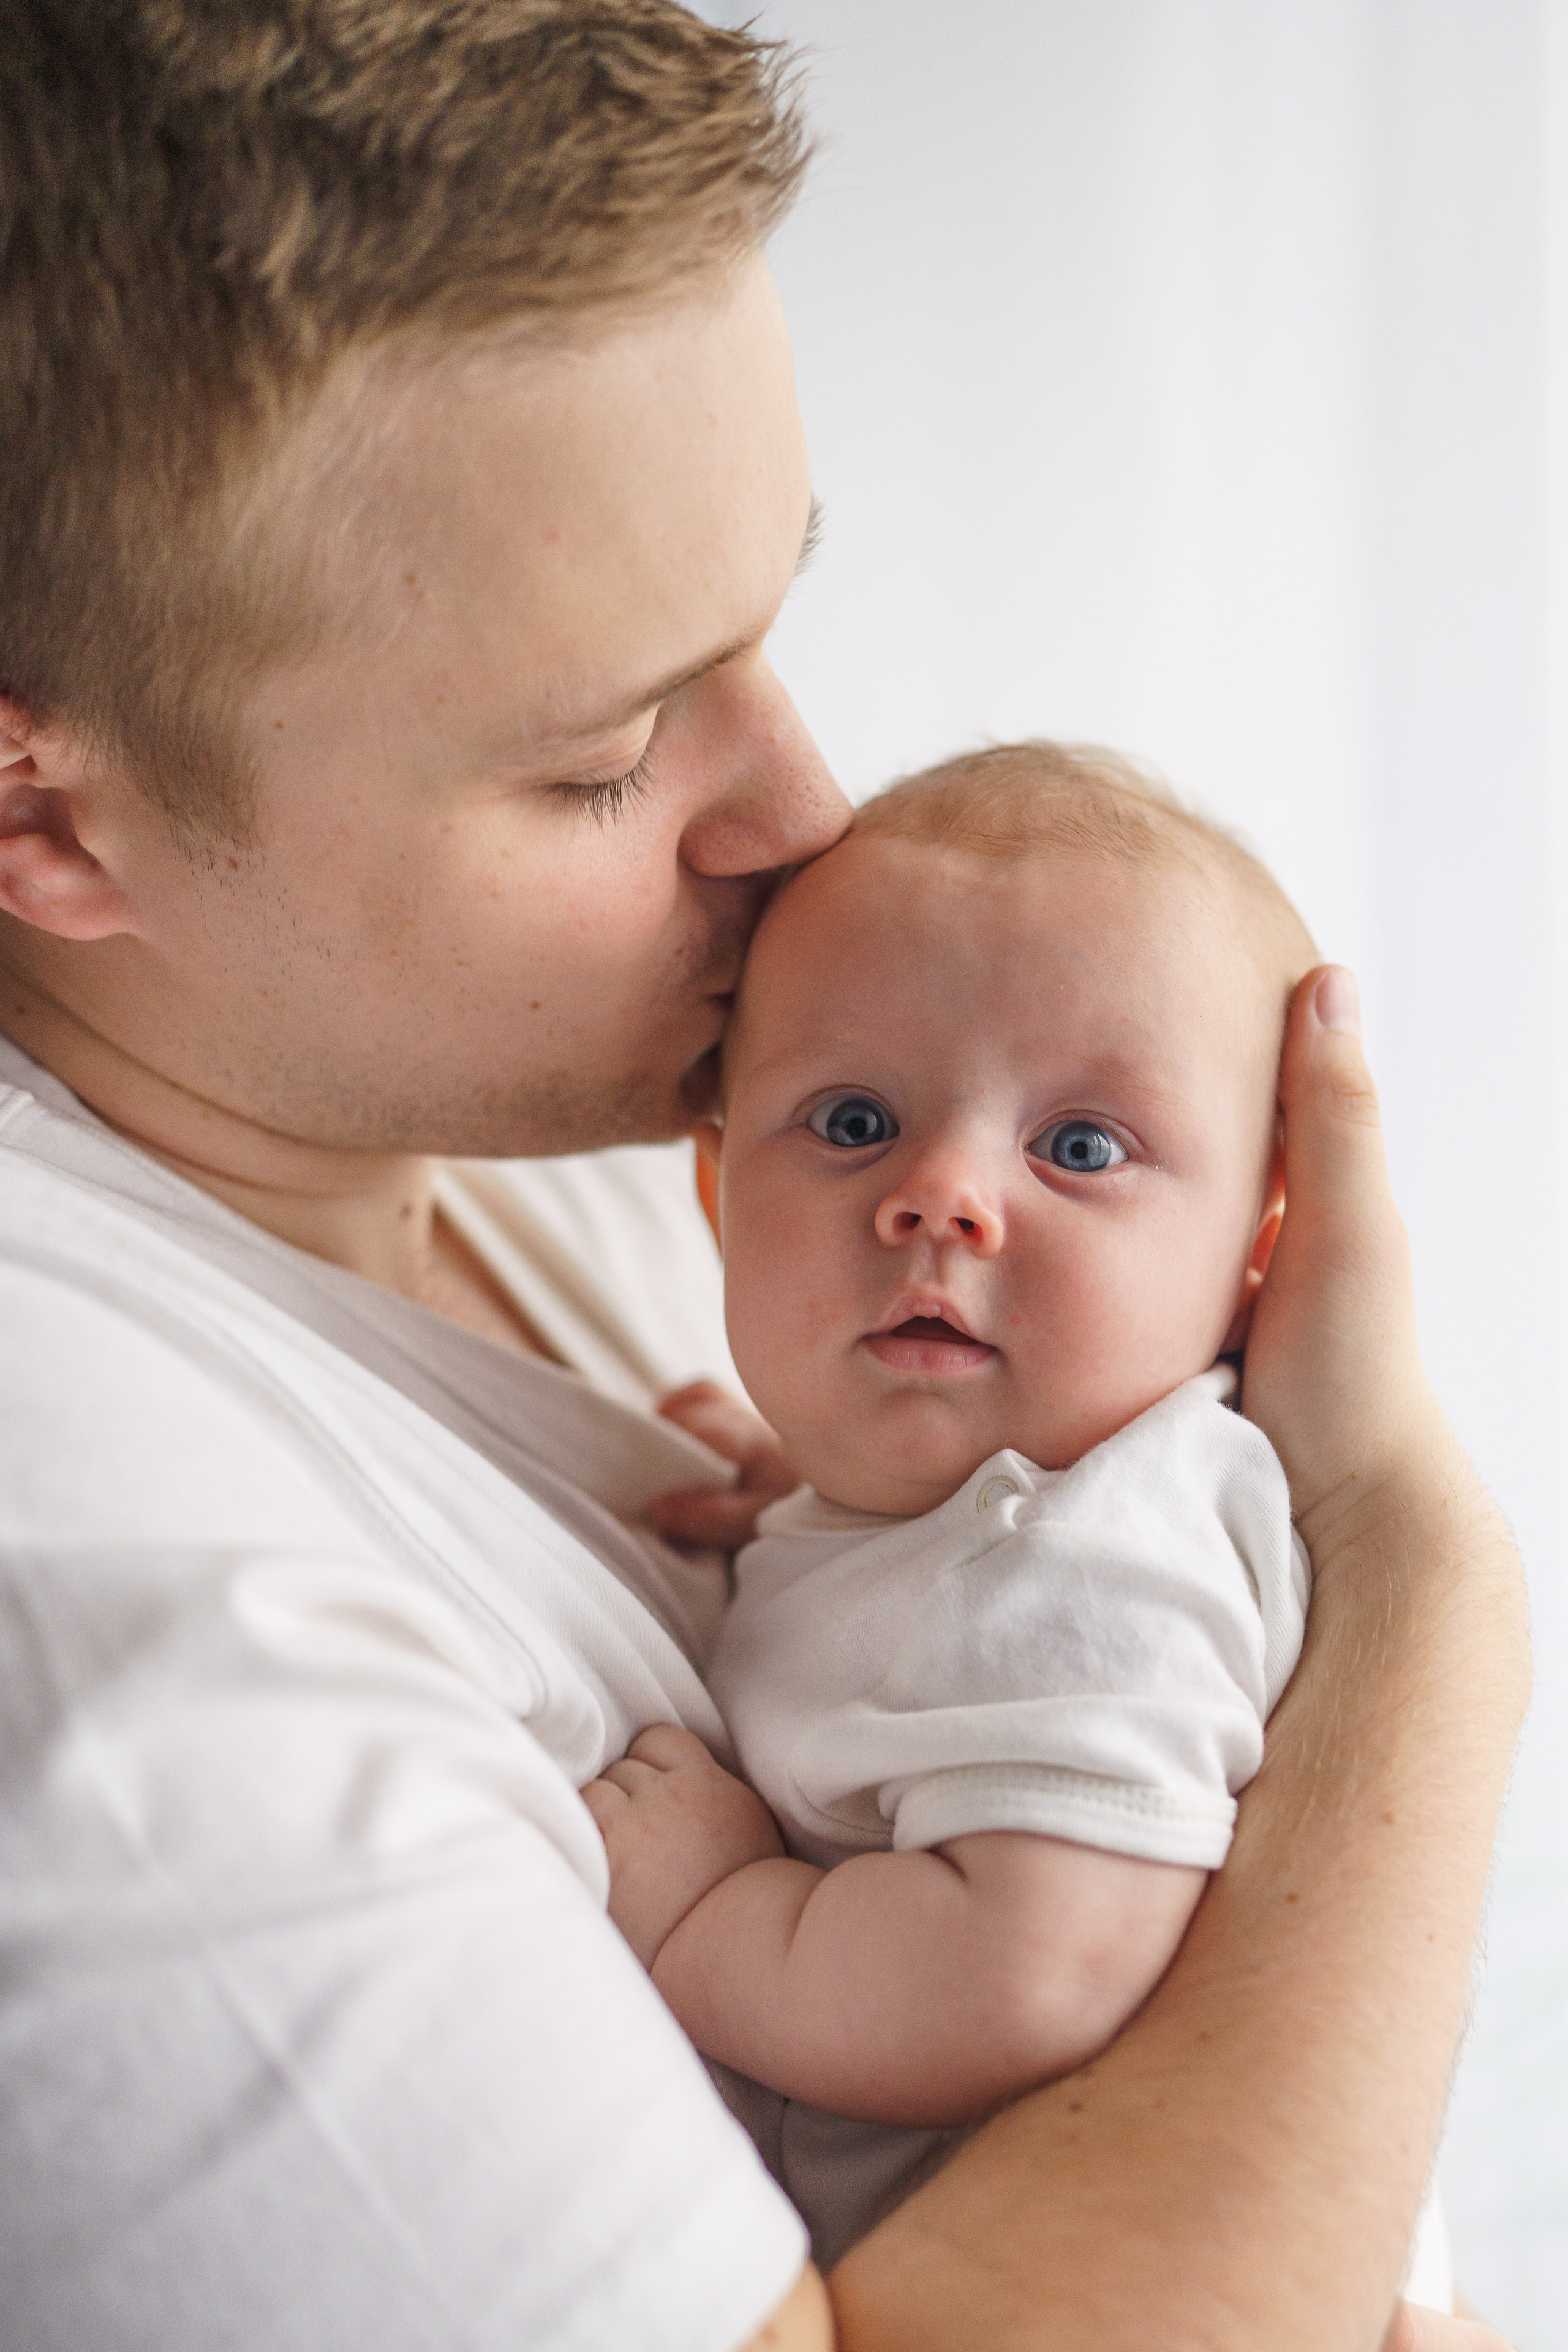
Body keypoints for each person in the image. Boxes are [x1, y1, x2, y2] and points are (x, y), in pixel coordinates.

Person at [0, 4, 1528, 2348]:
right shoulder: (112, 1669)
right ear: (44, 821)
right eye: (608, 756)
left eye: (771, 621)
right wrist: (1423, 1593)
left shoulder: (606, 1123)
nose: (808, 813)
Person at [586, 743, 1439, 2307]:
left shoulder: (1109, 1547)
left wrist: (719, 1919)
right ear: (713, 1196)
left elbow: (1029, 1967)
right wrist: (811, 1485)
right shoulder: (987, 1516)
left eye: (1083, 1148)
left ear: (1262, 1261)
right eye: (849, 1120)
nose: (942, 1194)